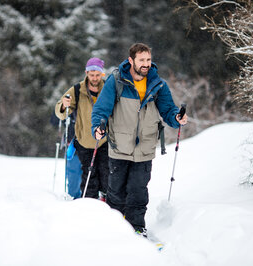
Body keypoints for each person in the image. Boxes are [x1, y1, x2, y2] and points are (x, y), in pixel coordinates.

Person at [91, 43, 188, 235]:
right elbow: (101, 109)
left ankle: (137, 227)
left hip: (145, 147)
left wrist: (177, 118)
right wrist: (97, 127)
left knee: (138, 191)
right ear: (131, 60)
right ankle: (115, 228)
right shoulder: (116, 81)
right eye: (142, 60)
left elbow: (168, 110)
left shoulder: (158, 84)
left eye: (148, 60)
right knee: (116, 191)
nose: (146, 64)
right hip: (119, 145)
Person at [55, 57, 109, 200]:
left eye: (98, 75)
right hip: (84, 141)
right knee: (89, 177)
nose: (95, 78)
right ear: (86, 73)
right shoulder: (77, 90)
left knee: (106, 175)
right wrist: (63, 105)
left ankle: (106, 204)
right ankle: (89, 206)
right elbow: (60, 109)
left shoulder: (109, 88)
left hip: (104, 141)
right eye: (91, 75)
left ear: (102, 74)